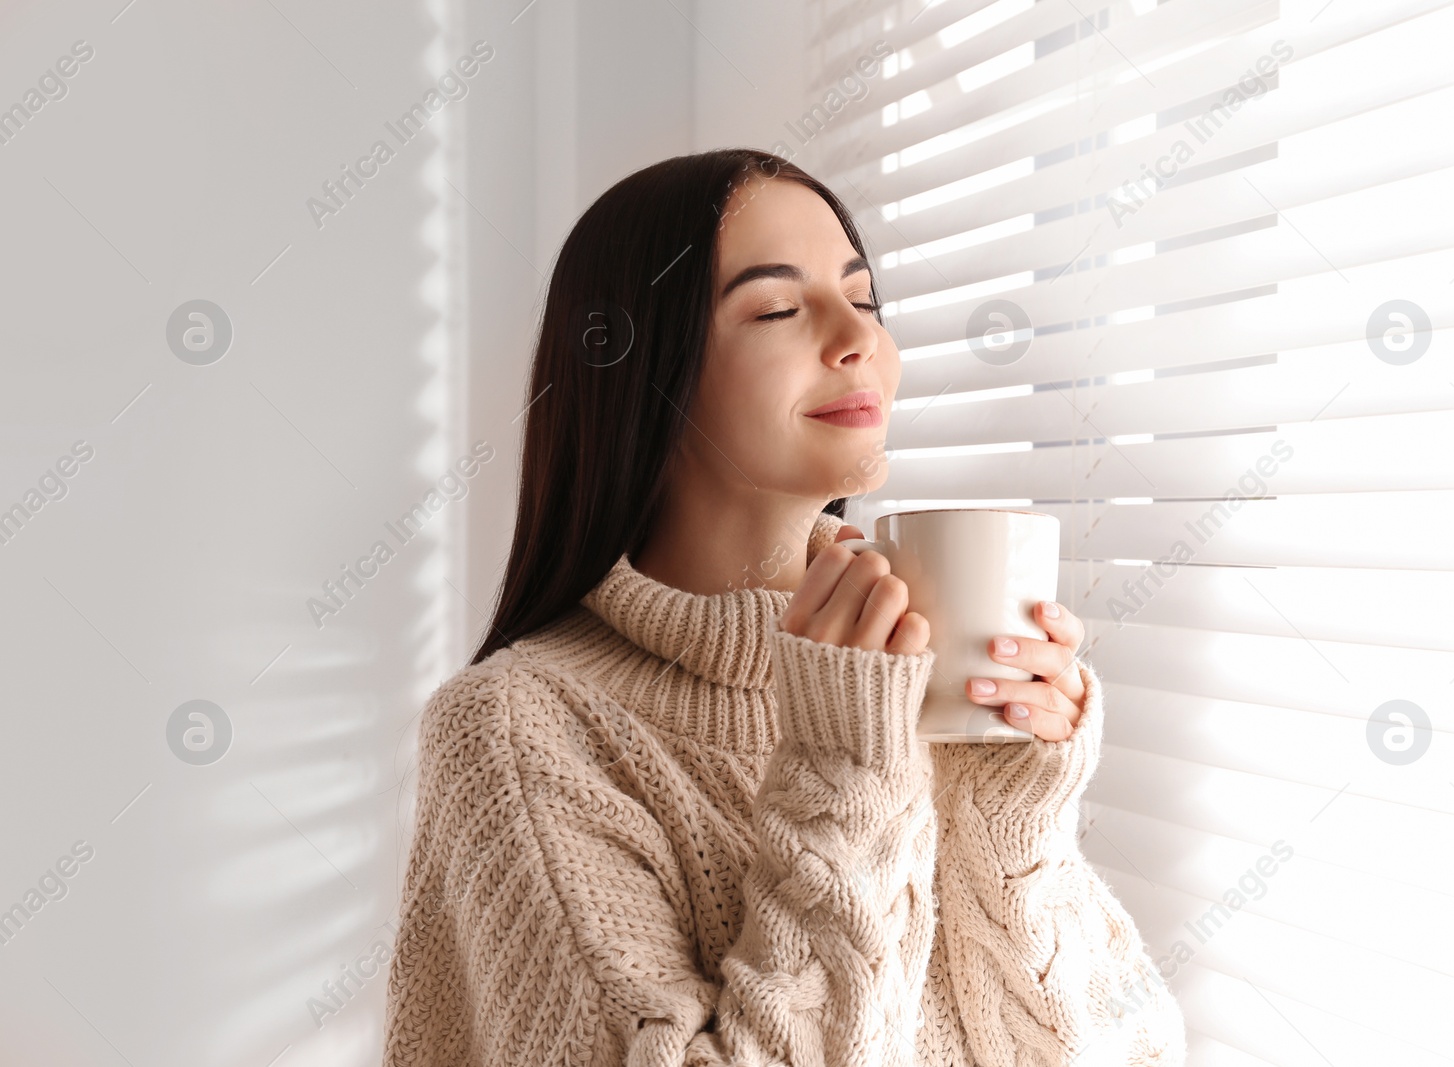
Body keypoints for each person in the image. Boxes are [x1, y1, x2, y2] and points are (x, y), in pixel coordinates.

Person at [381, 148, 1186, 1067]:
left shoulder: (912, 681)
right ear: (643, 371)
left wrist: (1013, 823)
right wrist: (844, 775)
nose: (858, 340)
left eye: (866, 300)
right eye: (777, 307)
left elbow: (1136, 1048)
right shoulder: (516, 730)